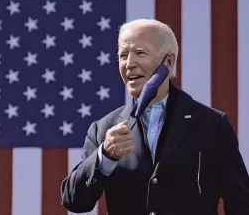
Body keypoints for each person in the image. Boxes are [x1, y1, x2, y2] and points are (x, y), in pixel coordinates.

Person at [60, 19, 249, 215]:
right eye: (123, 55)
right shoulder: (103, 129)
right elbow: (74, 200)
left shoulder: (212, 125)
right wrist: (105, 156)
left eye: (140, 53)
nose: (129, 64)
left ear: (168, 62)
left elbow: (241, 203)